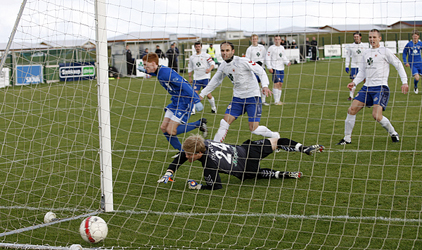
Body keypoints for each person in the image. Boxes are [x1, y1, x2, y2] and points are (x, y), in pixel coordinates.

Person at [157, 134, 325, 190]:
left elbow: (216, 186)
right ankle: (303, 148)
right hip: (245, 150)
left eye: (190, 155)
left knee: (255, 173)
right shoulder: (204, 142)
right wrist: (169, 172)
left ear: (199, 153)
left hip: (245, 168)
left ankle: (279, 174)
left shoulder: (209, 165)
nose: (186, 157)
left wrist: (197, 186)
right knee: (277, 140)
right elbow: (182, 154)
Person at [336, 29, 408, 145]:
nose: (372, 39)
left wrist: (404, 82)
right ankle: (347, 138)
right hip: (366, 88)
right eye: (370, 37)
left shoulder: (385, 51)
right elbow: (362, 71)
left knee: (376, 116)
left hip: (380, 88)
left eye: (374, 37)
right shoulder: (366, 52)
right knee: (351, 110)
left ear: (380, 38)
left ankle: (393, 133)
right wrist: (354, 82)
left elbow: (398, 65)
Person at [199, 41, 279, 143]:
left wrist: (265, 86)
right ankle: (215, 146)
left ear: (233, 51)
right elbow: (215, 81)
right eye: (222, 50)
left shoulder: (242, 61)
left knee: (253, 129)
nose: (225, 53)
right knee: (224, 122)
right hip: (237, 99)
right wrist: (202, 94)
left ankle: (275, 135)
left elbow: (260, 71)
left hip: (252, 97)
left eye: (227, 50)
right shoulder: (223, 66)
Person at [139, 52, 208, 151]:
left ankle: (199, 123)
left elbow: (184, 85)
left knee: (171, 130)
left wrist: (196, 100)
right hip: (176, 101)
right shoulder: (159, 71)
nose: (145, 67)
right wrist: (147, 72)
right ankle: (182, 152)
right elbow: (156, 72)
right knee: (164, 128)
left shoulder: (166, 72)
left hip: (184, 102)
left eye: (146, 65)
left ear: (153, 63)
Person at [188, 41, 217, 114]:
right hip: (196, 79)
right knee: (194, 94)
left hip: (205, 77)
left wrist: (209, 69)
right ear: (195, 48)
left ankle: (213, 108)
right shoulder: (192, 57)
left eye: (199, 46)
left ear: (201, 47)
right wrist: (190, 77)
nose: (197, 48)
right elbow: (190, 67)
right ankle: (193, 110)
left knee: (208, 94)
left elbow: (212, 63)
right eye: (196, 47)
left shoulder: (206, 55)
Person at [266, 35, 291, 105]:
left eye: (278, 39)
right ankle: (276, 101)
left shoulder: (282, 48)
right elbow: (268, 57)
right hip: (274, 68)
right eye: (276, 39)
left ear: (280, 40)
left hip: (281, 68)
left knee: (280, 84)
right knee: (276, 83)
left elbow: (284, 57)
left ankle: (279, 100)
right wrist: (269, 67)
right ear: (274, 40)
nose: (277, 41)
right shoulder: (271, 48)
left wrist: (287, 62)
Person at [246, 34, 269, 105]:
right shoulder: (249, 49)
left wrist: (265, 65)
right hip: (254, 70)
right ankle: (256, 100)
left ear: (257, 39)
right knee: (254, 85)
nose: (254, 40)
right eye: (253, 39)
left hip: (261, 68)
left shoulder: (262, 47)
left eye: (256, 39)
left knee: (263, 84)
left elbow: (265, 57)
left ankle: (263, 100)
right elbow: (247, 60)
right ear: (251, 40)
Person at [344, 31, 367, 100]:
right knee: (353, 81)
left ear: (360, 37)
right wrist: (346, 66)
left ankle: (366, 94)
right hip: (354, 66)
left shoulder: (365, 46)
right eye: (355, 37)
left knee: (365, 81)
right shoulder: (350, 46)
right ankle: (351, 96)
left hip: (363, 66)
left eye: (357, 37)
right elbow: (347, 56)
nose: (356, 38)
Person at [402, 30, 422, 94]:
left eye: (416, 36)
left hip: (420, 63)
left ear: (418, 36)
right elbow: (404, 53)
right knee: (417, 78)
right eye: (414, 36)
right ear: (412, 37)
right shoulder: (409, 44)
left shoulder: (420, 44)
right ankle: (415, 87)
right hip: (413, 64)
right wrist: (405, 62)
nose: (415, 37)